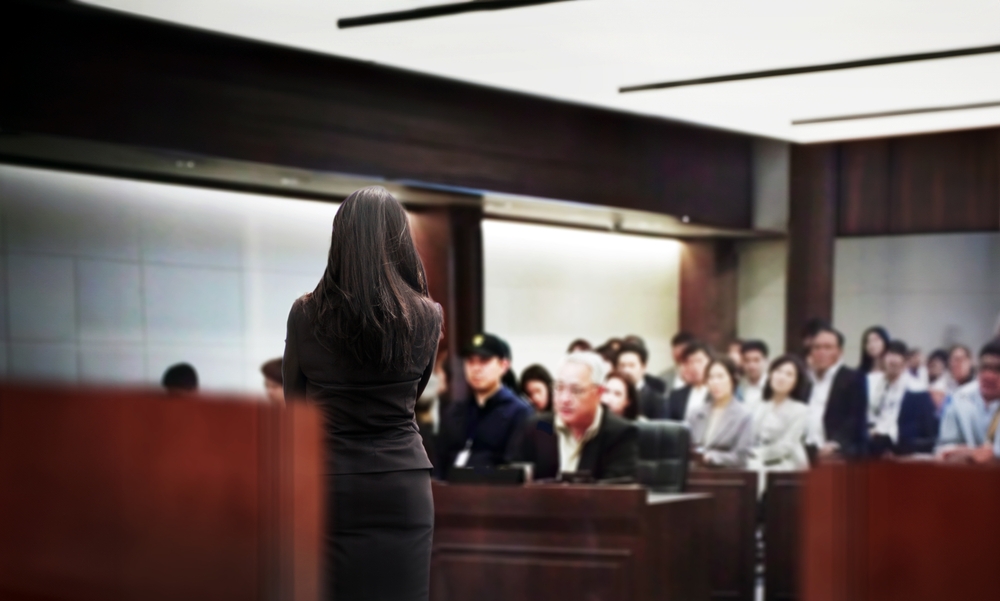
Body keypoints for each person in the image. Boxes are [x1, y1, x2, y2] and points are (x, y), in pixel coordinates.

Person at [281, 186, 442, 601]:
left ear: (341, 239)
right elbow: (416, 391)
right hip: (403, 483)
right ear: (400, 238)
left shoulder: (305, 313)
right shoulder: (427, 316)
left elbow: (295, 404)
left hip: (329, 482)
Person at [513, 351, 638, 481]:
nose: (565, 399)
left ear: (599, 393)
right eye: (559, 388)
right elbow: (515, 481)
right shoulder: (538, 426)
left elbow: (618, 492)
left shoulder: (620, 433)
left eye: (576, 390)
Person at [436, 333, 532, 479]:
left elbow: (512, 467)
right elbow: (440, 460)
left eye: (484, 361)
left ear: (503, 365)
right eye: (470, 361)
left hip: (492, 494)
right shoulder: (454, 411)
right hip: (450, 492)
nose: (476, 368)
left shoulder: (519, 412)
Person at [806, 327, 868, 460]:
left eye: (827, 347)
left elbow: (855, 418)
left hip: (838, 449)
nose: (821, 352)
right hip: (808, 448)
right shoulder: (807, 381)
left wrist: (835, 444)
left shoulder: (853, 378)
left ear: (839, 352)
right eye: (816, 347)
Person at [867, 341, 938, 457]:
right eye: (889, 362)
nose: (892, 366)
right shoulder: (875, 385)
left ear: (905, 363)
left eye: (896, 363)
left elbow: (928, 434)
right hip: (875, 446)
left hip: (903, 450)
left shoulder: (917, 391)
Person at [935, 340, 1000, 464]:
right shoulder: (961, 396)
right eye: (984, 367)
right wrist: (976, 454)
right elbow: (944, 447)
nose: (989, 376)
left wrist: (978, 454)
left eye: (998, 369)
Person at [687, 357, 753, 468]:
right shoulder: (696, 412)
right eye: (711, 377)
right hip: (696, 475)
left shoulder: (744, 415)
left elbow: (742, 457)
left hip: (726, 477)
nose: (715, 382)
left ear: (733, 378)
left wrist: (711, 457)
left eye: (720, 377)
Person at [749, 355, 810, 474]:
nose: (781, 377)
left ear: (796, 382)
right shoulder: (759, 405)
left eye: (789, 374)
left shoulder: (800, 410)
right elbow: (751, 435)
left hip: (787, 464)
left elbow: (787, 446)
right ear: (770, 374)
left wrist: (757, 454)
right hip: (757, 460)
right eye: (778, 371)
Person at [615, 342, 668, 419]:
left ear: (644, 367)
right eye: (622, 365)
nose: (626, 370)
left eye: (631, 365)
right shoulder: (610, 396)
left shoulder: (657, 401)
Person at [667, 342, 712, 421]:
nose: (694, 366)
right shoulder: (676, 396)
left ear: (711, 362)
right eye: (690, 362)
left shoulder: (718, 394)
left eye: (699, 361)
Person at [737, 339, 770, 411]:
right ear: (742, 362)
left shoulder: (773, 386)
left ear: (766, 361)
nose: (751, 365)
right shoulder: (738, 386)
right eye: (747, 360)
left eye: (756, 360)